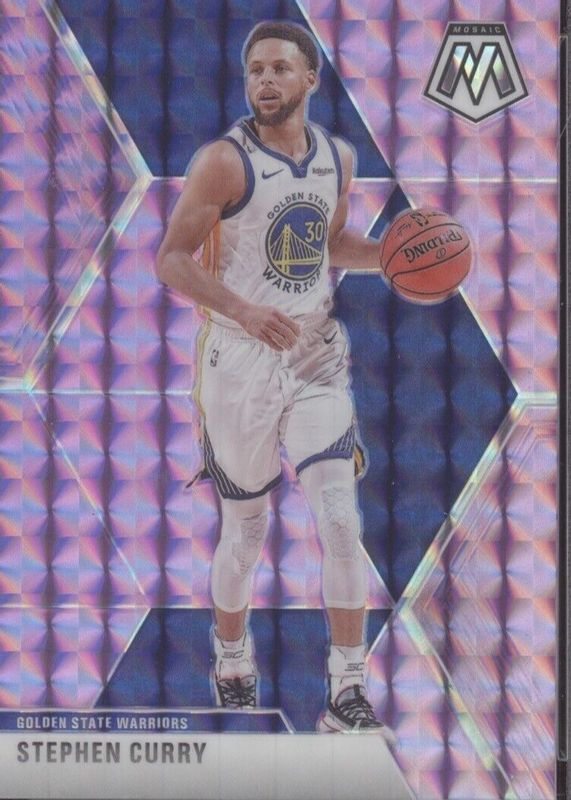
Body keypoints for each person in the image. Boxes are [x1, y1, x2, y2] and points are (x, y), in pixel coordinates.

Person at [156, 21, 393, 739]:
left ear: (310, 79)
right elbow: (172, 258)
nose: (264, 80)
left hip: (312, 355)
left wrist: (396, 256)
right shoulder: (222, 162)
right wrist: (244, 311)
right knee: (247, 530)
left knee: (340, 517)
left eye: (280, 69)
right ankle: (232, 659)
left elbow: (328, 243)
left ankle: (347, 691)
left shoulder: (337, 157)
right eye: (255, 69)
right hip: (236, 360)